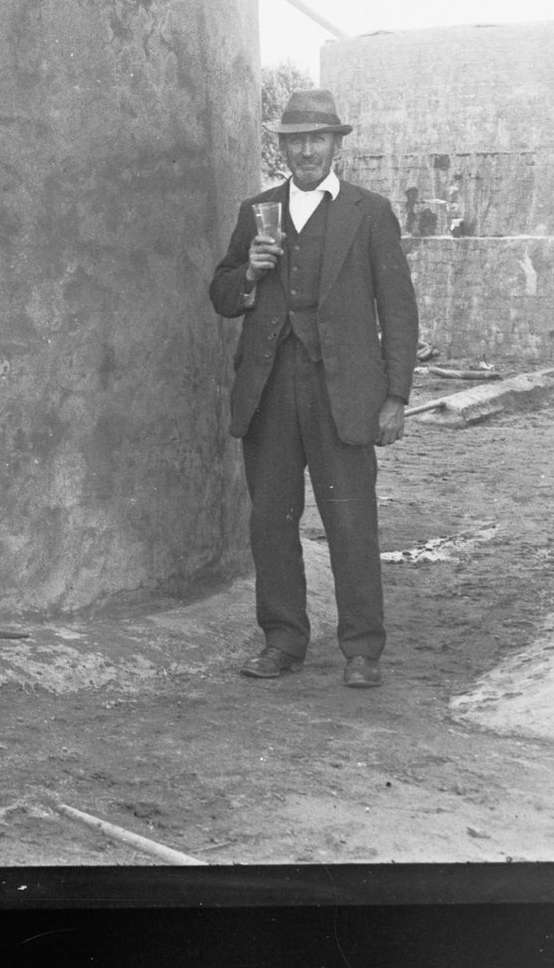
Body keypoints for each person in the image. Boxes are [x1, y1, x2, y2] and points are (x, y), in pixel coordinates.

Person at [209, 88, 418, 689]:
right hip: (270, 386)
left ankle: (361, 649)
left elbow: (398, 310)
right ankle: (282, 640)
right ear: (282, 148)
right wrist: (248, 270)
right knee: (271, 520)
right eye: (295, 140)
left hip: (344, 391)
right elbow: (222, 296)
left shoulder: (369, 211)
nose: (306, 150)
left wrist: (396, 397)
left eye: (317, 139)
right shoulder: (257, 211)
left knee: (350, 519)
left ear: (335, 145)